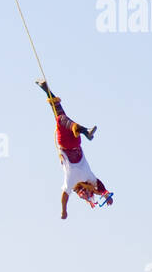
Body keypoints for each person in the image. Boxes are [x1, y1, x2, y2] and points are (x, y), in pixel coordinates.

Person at [36, 79, 110, 219]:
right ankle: (84, 130)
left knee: (61, 118)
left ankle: (46, 89)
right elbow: (99, 186)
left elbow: (65, 196)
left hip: (67, 143)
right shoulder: (87, 178)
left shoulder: (72, 180)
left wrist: (64, 210)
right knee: (61, 116)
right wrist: (105, 193)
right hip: (74, 143)